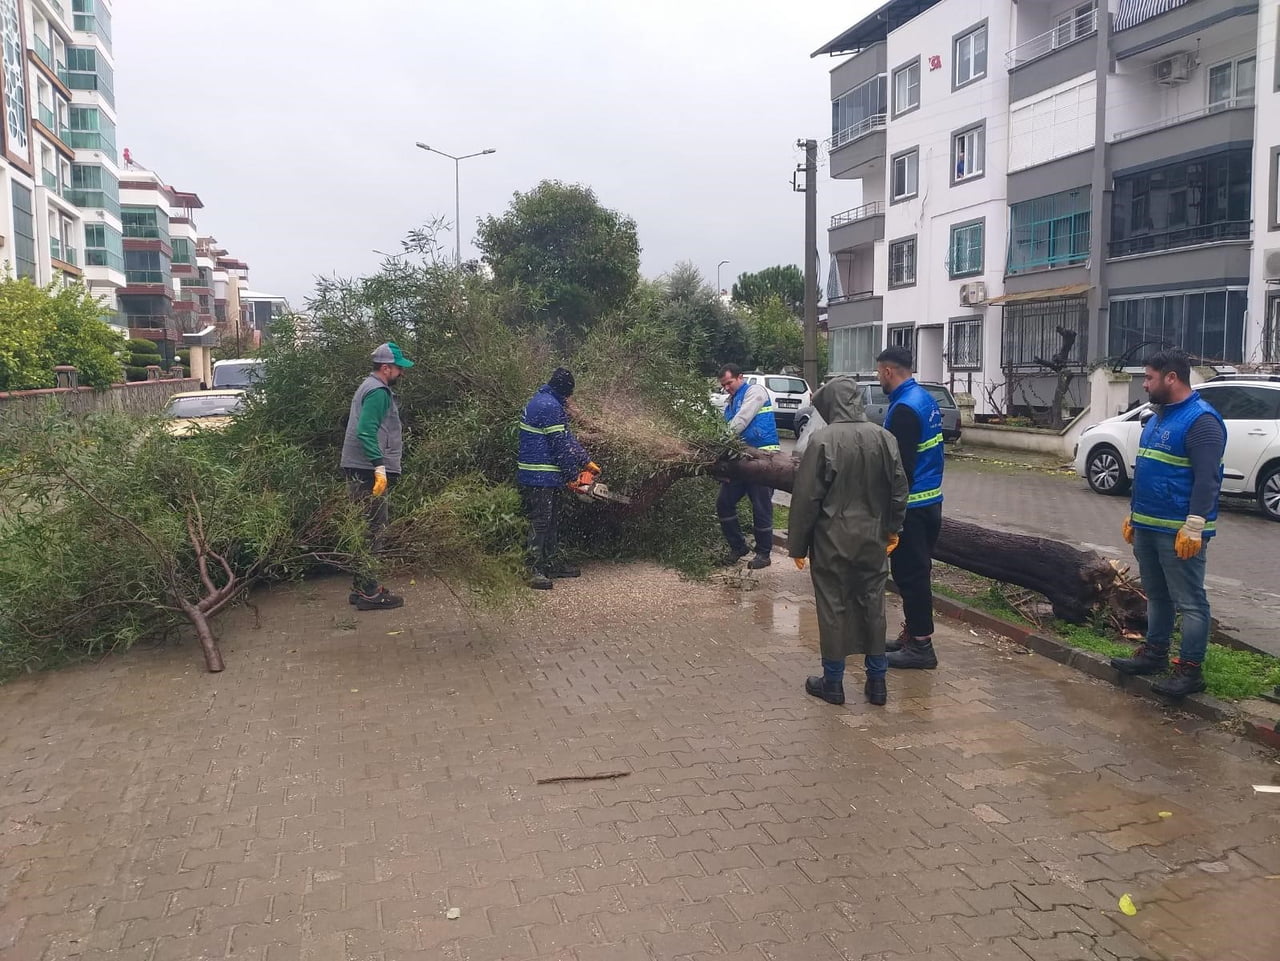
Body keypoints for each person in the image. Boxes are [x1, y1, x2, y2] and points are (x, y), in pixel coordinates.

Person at [1111, 350, 1226, 698]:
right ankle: (1154, 654)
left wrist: (1195, 523)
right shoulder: (1159, 416)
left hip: (1180, 532)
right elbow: (1149, 469)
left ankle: (1190, 670)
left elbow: (1207, 478)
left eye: (1149, 378)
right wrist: (1135, 512)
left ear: (1171, 378)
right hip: (1148, 525)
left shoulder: (1201, 421)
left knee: (1190, 601)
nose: (1145, 384)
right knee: (1157, 596)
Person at [788, 377, 908, 706]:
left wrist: (797, 546)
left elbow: (806, 499)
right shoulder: (885, 438)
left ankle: (833, 682)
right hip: (873, 538)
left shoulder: (822, 441)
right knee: (873, 605)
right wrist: (893, 528)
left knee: (832, 606)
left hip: (831, 541)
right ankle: (878, 682)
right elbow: (899, 490)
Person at [875, 347, 945, 670]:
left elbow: (899, 468)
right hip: (930, 502)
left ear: (889, 372)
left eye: (879, 374)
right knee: (917, 574)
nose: (879, 380)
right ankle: (913, 634)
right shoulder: (924, 398)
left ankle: (921, 647)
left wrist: (890, 513)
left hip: (912, 508)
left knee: (911, 576)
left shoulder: (904, 409)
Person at [340, 341, 414, 611]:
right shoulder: (378, 392)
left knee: (363, 527)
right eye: (398, 368)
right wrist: (379, 465)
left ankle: (362, 587)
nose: (401, 374)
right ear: (386, 368)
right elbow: (366, 430)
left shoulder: (367, 386)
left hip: (359, 466)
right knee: (373, 528)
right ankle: (370, 592)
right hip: (367, 469)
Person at [518, 367, 599, 590]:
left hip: (547, 475)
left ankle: (551, 563)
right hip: (538, 476)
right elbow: (559, 445)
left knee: (552, 521)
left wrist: (586, 461)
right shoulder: (549, 406)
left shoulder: (548, 402)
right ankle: (532, 569)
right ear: (564, 392)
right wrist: (574, 476)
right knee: (541, 522)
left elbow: (566, 436)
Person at [717, 364, 782, 569]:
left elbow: (742, 419)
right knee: (724, 502)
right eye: (723, 385)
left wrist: (720, 439)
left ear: (740, 377)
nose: (726, 387)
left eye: (729, 383)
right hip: (741, 460)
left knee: (761, 507)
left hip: (763, 459)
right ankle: (738, 547)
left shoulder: (755, 392)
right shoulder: (730, 402)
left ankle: (764, 553)